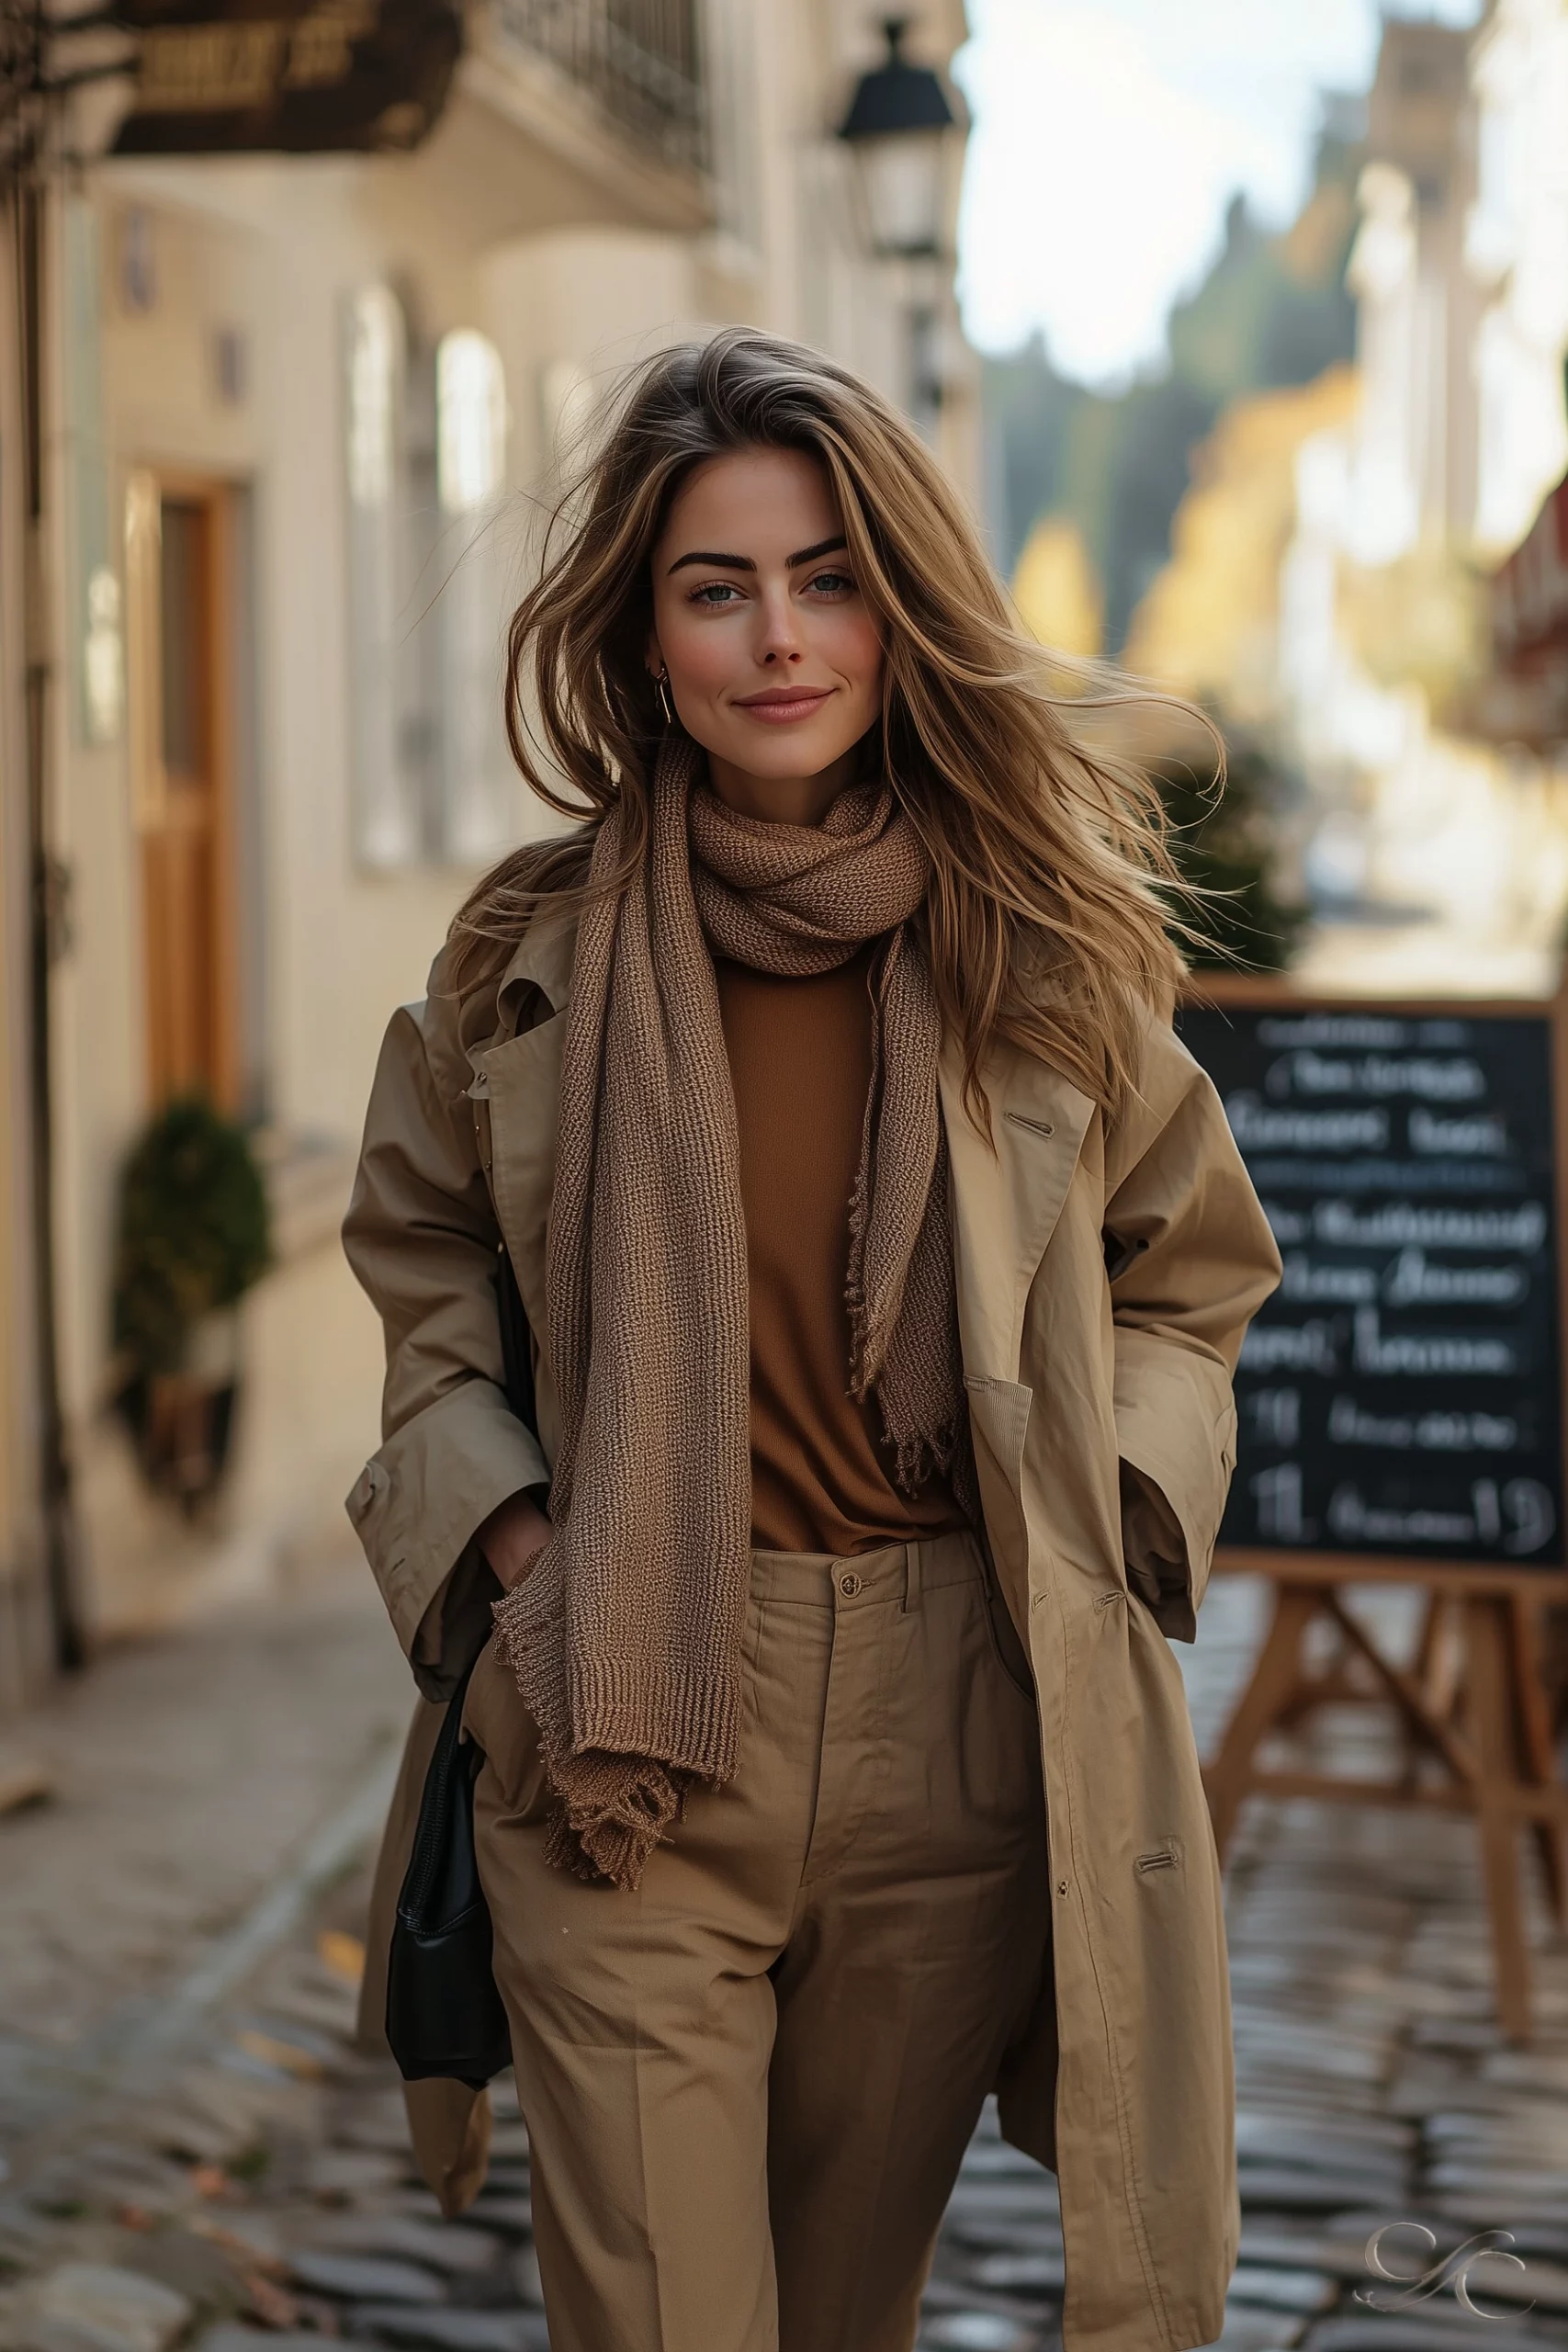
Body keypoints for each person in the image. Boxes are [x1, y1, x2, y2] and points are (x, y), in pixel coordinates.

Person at [344, 328, 1280, 2352]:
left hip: (957, 1708)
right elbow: (421, 1280)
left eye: (827, 575)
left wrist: (1106, 1504)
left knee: (845, 2310)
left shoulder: (1038, 941)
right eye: (718, 585)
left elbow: (1189, 1279)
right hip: (625, 1710)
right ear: (647, 630)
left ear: (898, 609)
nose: (779, 635)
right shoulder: (525, 957)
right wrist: (519, 1559)